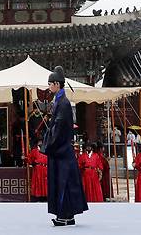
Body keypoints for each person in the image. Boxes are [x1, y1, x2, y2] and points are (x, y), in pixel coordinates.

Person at [43, 66, 88, 226]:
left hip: (61, 149)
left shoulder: (63, 102)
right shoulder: (61, 101)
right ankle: (68, 216)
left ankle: (64, 216)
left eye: (50, 84)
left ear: (56, 84)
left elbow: (60, 126)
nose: (49, 87)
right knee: (66, 183)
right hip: (62, 150)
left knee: (64, 183)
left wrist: (49, 143)